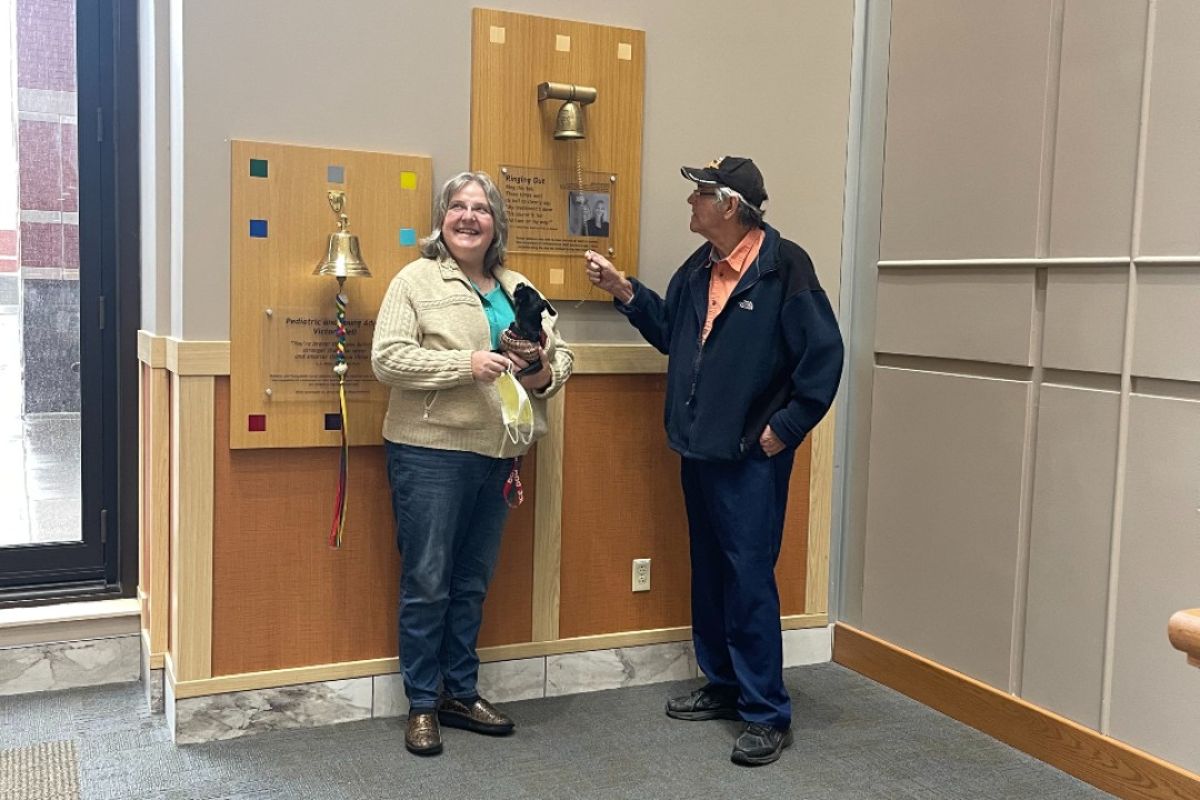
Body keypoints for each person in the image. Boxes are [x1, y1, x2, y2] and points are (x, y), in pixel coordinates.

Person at [583, 156, 843, 766]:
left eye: (700, 195)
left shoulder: (786, 267)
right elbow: (674, 331)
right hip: (698, 450)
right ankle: (725, 686)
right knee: (711, 572)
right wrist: (626, 293)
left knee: (749, 581)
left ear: (730, 205)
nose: (691, 204)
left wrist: (785, 429)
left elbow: (824, 359)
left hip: (752, 457)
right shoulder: (698, 268)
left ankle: (765, 712)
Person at [372, 171, 573, 756]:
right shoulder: (415, 279)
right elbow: (387, 359)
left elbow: (560, 363)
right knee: (427, 581)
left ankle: (460, 691)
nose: (467, 217)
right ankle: (422, 703)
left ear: (496, 223)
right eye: (456, 207)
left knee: (471, 583)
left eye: (480, 209)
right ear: (441, 219)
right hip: (430, 452)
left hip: (501, 455)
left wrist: (536, 368)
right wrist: (467, 364)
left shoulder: (517, 286)